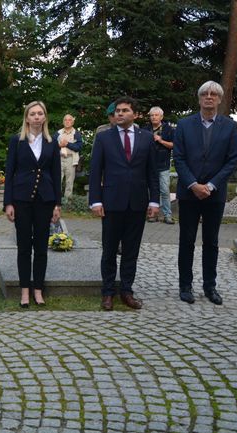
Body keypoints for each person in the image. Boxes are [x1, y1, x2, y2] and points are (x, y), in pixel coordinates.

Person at [89, 96, 159, 311]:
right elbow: (95, 172)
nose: (119, 113)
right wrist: (95, 201)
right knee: (109, 250)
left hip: (137, 203)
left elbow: (152, 172)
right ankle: (108, 292)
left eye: (125, 110)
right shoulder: (104, 138)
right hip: (111, 202)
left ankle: (126, 291)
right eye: (118, 110)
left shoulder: (147, 138)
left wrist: (155, 200)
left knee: (131, 251)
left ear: (135, 114)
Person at [173, 81, 237, 305]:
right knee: (187, 240)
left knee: (211, 241)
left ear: (220, 99)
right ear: (199, 98)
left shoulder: (229, 126)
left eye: (213, 94)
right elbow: (179, 158)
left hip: (215, 194)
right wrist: (193, 184)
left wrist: (210, 186)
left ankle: (210, 286)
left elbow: (232, 160)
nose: (209, 97)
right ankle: (185, 286)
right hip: (189, 193)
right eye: (204, 94)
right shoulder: (184, 125)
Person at [4, 101, 62, 308]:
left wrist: (57, 204)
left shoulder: (51, 142)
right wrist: (8, 202)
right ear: (27, 118)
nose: (36, 117)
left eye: (40, 114)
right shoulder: (16, 141)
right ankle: (24, 291)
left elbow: (56, 174)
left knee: (41, 248)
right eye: (33, 114)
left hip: (45, 200)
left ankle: (38, 289)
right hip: (21, 200)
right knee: (24, 247)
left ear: (45, 117)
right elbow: (9, 172)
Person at [143, 107, 175, 224]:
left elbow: (174, 145)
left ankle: (167, 215)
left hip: (163, 165)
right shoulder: (145, 129)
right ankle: (152, 214)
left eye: (156, 115)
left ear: (161, 117)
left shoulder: (169, 130)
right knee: (149, 190)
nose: (154, 117)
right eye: (152, 115)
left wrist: (160, 140)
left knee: (165, 191)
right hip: (148, 165)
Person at [57, 114, 83, 201]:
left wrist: (67, 144)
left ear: (73, 122)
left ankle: (67, 201)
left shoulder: (76, 133)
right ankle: (56, 200)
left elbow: (79, 147)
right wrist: (59, 145)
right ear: (63, 121)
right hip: (59, 159)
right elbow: (51, 146)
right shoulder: (58, 133)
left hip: (71, 159)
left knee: (69, 181)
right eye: (65, 120)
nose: (67, 121)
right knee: (57, 180)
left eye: (69, 120)